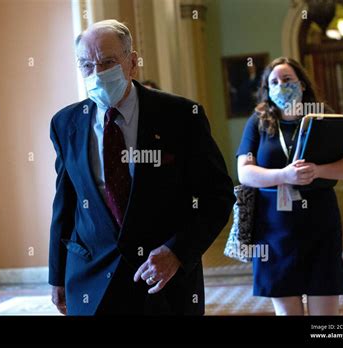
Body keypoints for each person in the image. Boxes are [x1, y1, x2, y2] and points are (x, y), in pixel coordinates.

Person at [49, 19, 235, 315]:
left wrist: (177, 252)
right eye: (86, 65)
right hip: (91, 279)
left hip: (163, 281)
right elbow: (65, 202)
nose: (96, 74)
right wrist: (57, 276)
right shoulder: (65, 124)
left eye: (107, 62)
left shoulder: (181, 116)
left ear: (132, 62)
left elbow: (218, 196)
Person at [236, 57, 343, 315]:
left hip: (320, 225)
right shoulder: (259, 121)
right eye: (274, 82)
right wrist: (284, 175)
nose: (280, 86)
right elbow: (245, 172)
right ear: (267, 88)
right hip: (273, 230)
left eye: (287, 80)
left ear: (302, 84)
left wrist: (318, 171)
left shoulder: (323, 116)